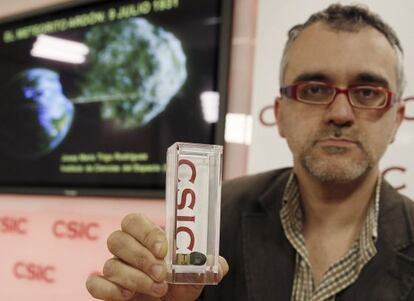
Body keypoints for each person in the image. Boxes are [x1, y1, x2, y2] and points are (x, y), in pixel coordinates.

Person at [86, 4, 414, 301]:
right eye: (314, 89)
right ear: (280, 114)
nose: (340, 112)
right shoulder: (211, 218)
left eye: (368, 92)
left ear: (397, 119)